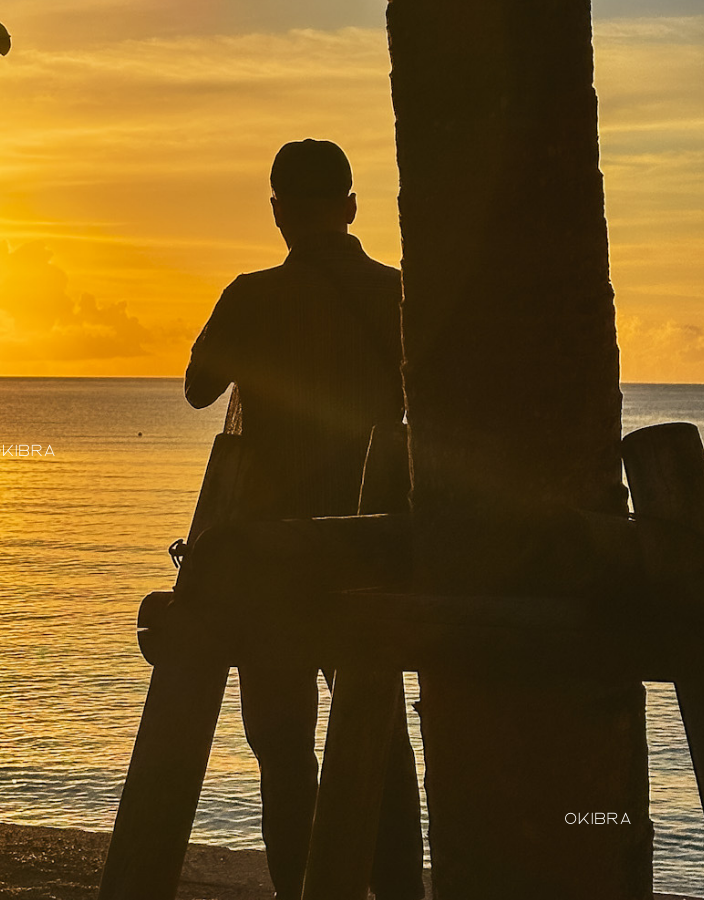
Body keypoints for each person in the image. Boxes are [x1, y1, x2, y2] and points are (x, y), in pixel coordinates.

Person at [184, 138, 423, 900]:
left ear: (279, 213)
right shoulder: (397, 296)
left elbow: (198, 388)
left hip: (273, 550)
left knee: (284, 749)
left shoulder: (252, 296)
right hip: (374, 544)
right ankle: (397, 891)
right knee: (381, 737)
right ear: (351, 207)